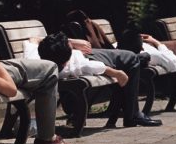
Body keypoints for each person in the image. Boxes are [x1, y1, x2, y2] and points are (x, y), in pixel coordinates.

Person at [67, 9, 176, 111]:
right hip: (155, 48)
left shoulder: (119, 48)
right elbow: (172, 63)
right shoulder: (152, 56)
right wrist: (155, 42)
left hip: (142, 46)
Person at [25, 31, 162, 128]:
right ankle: (133, 114)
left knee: (131, 59)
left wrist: (71, 42)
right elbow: (94, 67)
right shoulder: (73, 67)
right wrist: (117, 73)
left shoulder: (34, 58)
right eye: (69, 46)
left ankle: (130, 113)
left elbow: (34, 39)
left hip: (86, 56)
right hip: (89, 58)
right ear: (65, 62)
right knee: (131, 57)